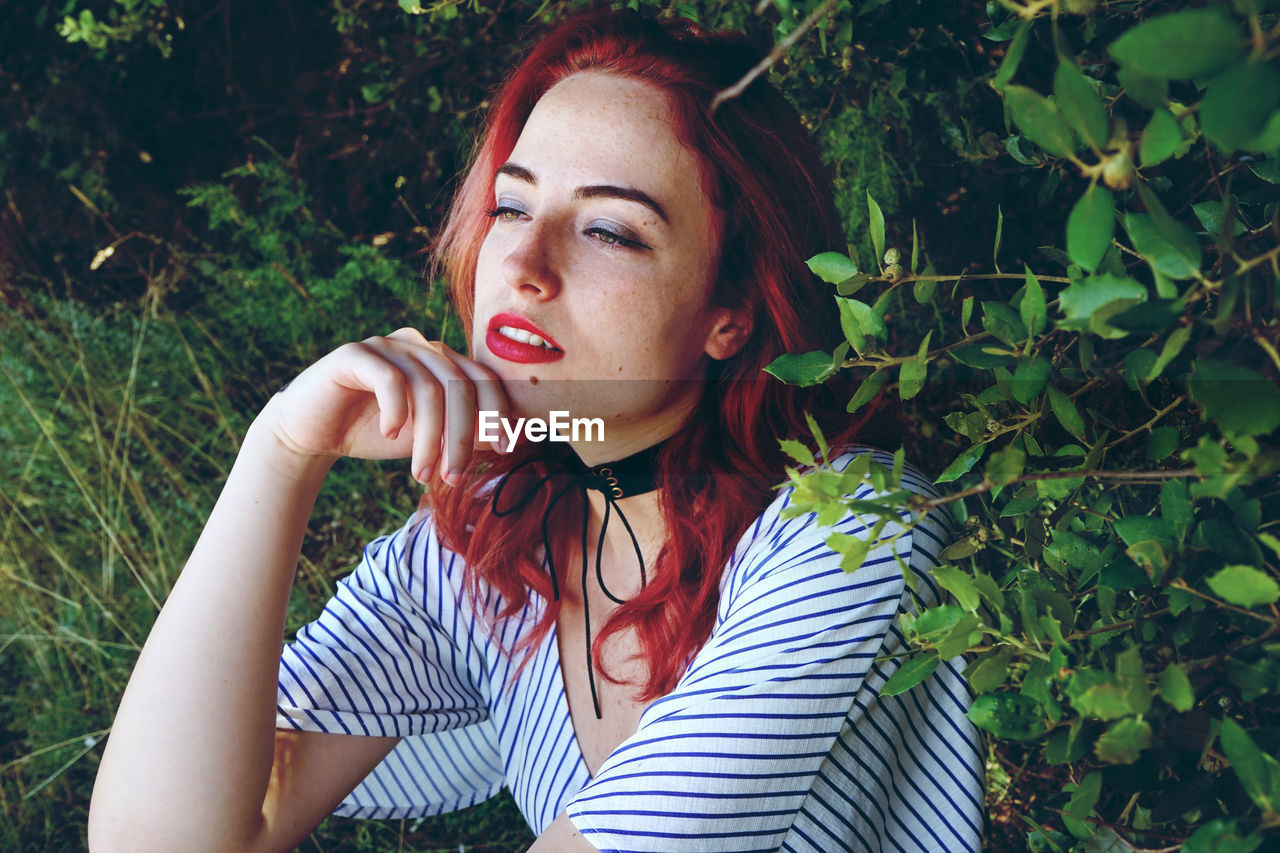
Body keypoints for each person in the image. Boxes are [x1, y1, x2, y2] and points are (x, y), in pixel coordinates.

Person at [89, 7, 984, 852]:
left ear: (732, 314)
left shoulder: (850, 525)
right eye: (512, 207)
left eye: (610, 231)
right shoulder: (479, 547)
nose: (520, 262)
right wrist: (281, 452)